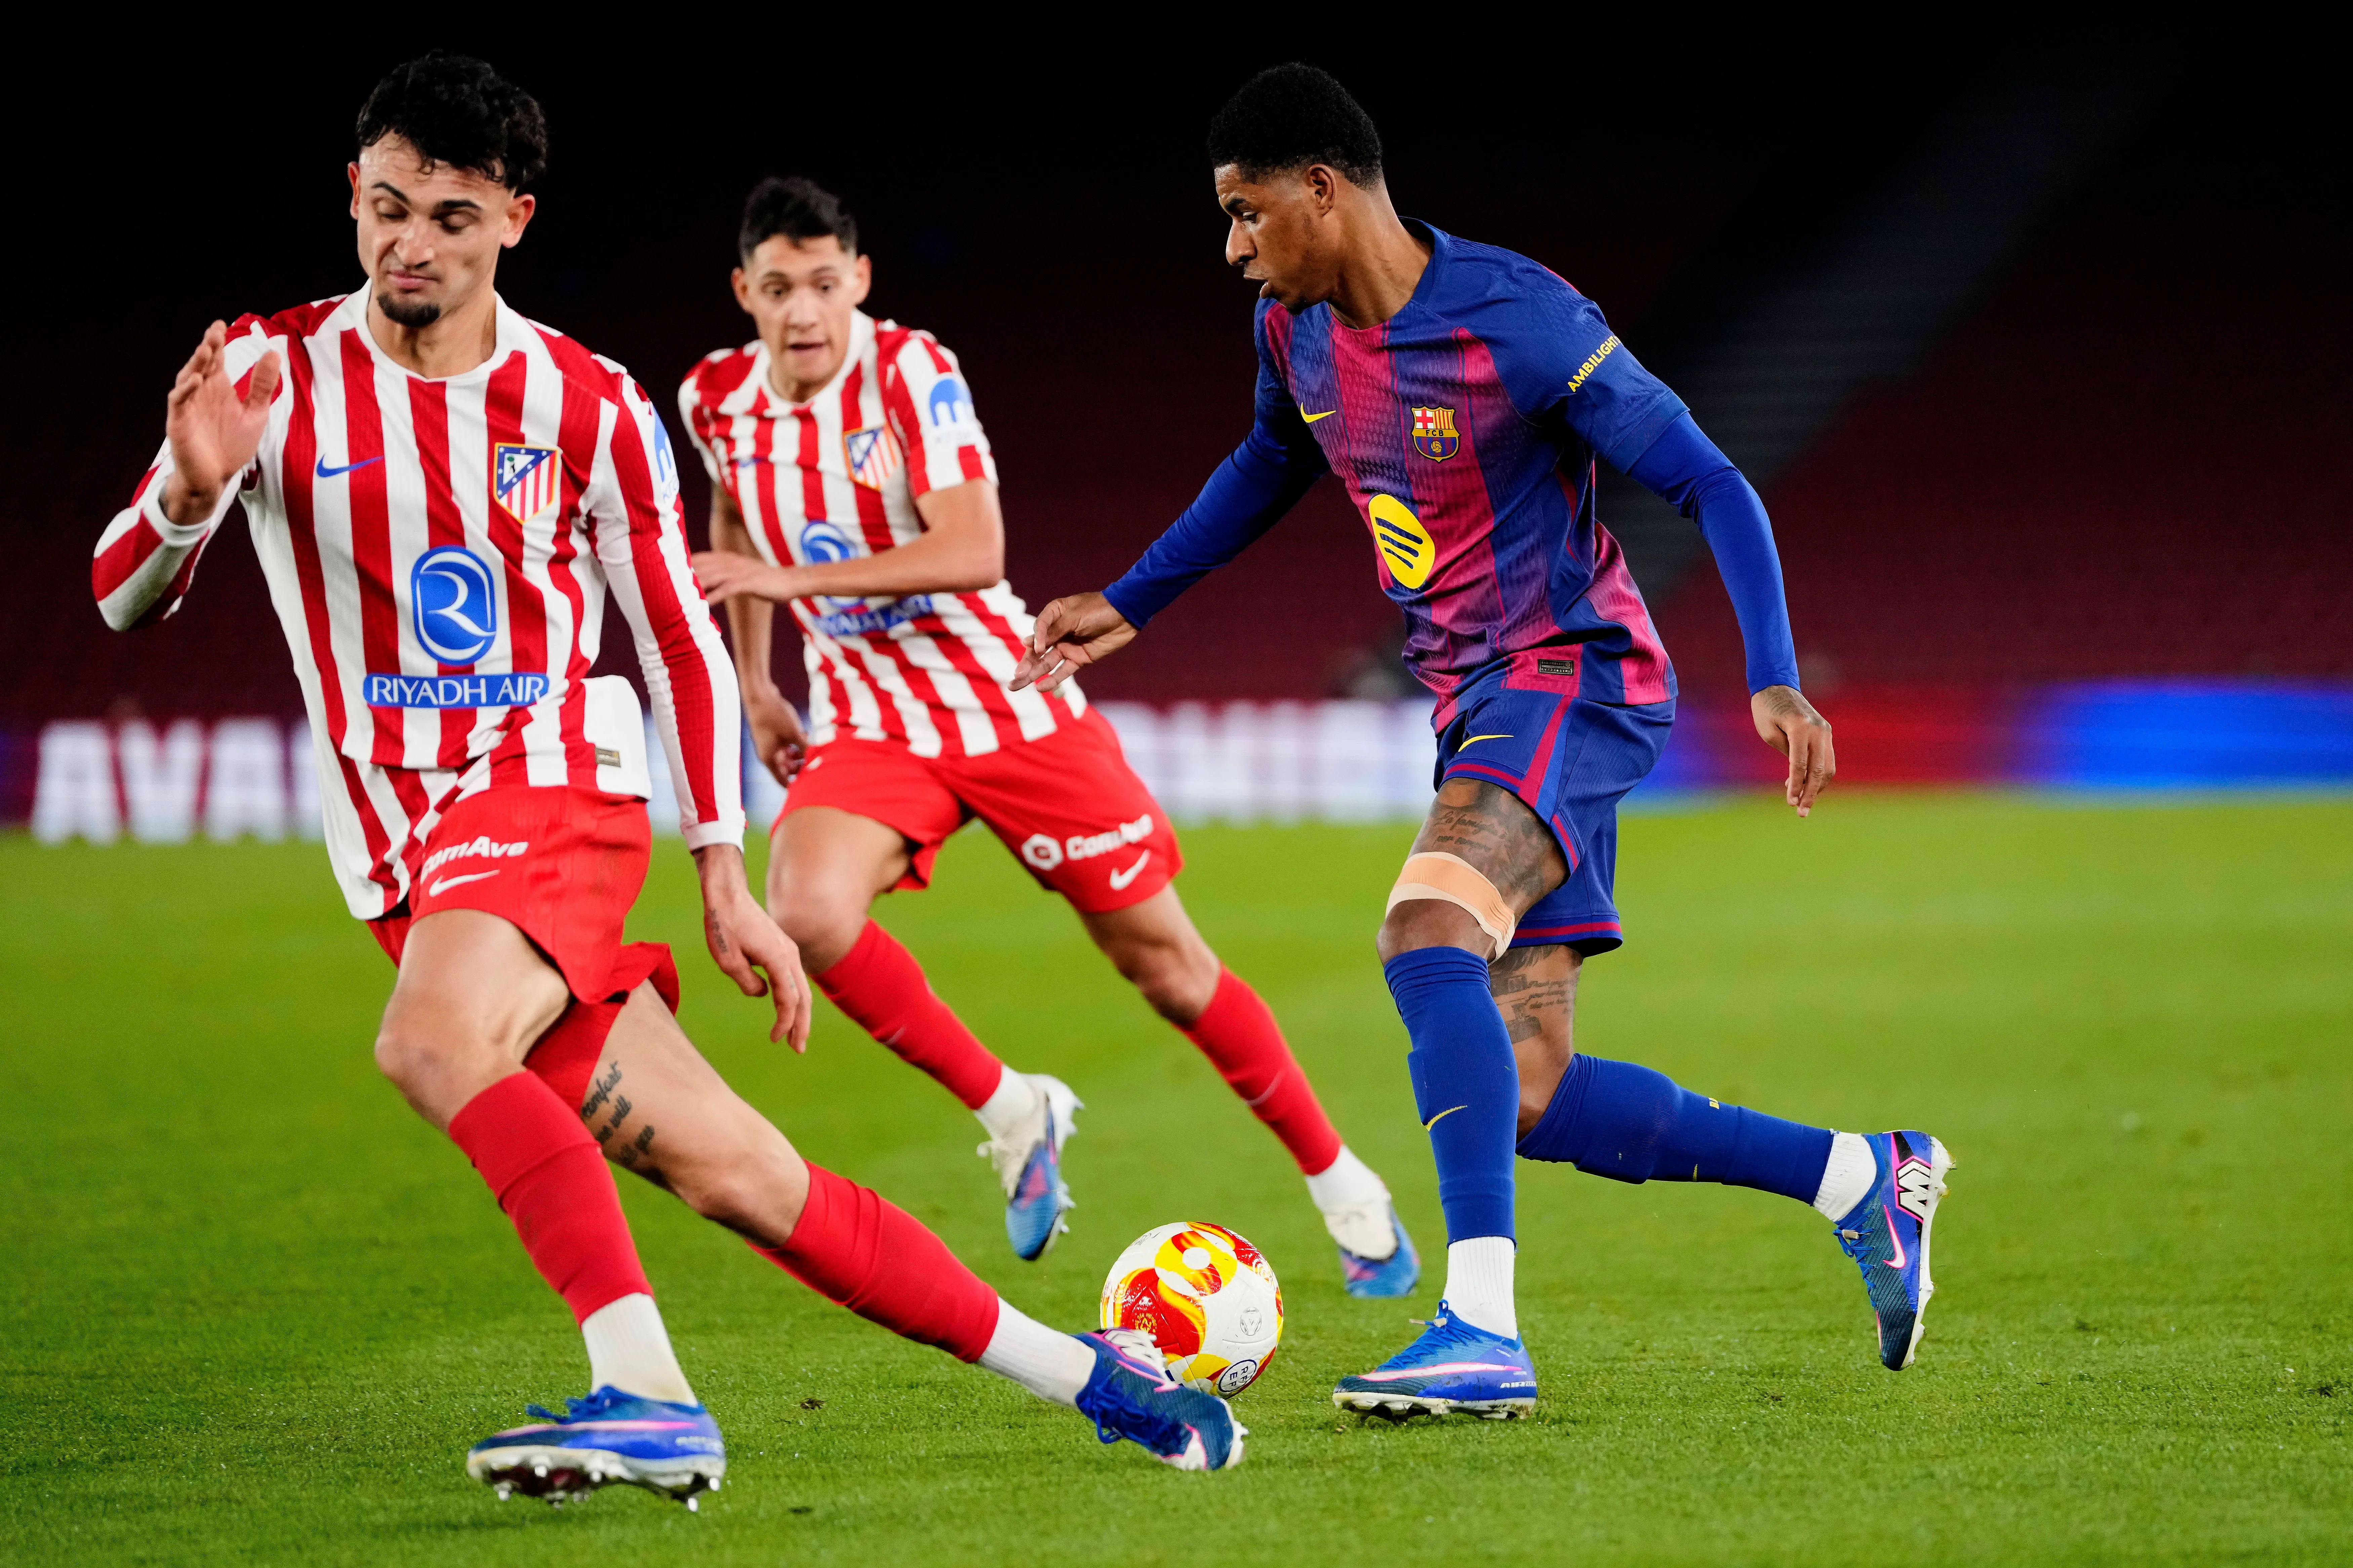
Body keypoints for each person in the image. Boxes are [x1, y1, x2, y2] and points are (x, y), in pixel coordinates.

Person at [89, 54, 1242, 1499]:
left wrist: (717, 865)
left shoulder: (587, 403)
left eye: (449, 215)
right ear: (353, 196)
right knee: (745, 1175)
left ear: (512, 216)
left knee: (429, 1044)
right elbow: (120, 594)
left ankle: (646, 1392)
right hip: (407, 853)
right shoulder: (271, 374)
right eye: (385, 207)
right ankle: (1096, 1376)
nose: (409, 244)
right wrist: (193, 492)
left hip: (552, 784)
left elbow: (683, 645)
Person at [1013, 64, 1955, 1420]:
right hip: (1475, 697)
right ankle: (1865, 1177)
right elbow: (1270, 462)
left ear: (1321, 191)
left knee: (1424, 928)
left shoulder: (1517, 317)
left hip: (1571, 673)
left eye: (1244, 212)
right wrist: (1131, 600)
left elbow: (1708, 476)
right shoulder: (1295, 333)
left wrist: (1777, 677)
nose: (1231, 247)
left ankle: (1477, 1323)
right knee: (1524, 1087)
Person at [682, 176, 1417, 1294]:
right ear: (745, 291)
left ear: (859, 282)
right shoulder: (715, 400)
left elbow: (973, 549)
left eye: (825, 285)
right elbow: (733, 517)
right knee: (807, 913)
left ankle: (1341, 1182)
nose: (803, 314)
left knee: (1167, 969)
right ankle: (1011, 1107)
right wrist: (754, 682)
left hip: (1007, 699)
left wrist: (781, 579)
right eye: (779, 289)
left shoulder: (910, 374)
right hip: (871, 720)